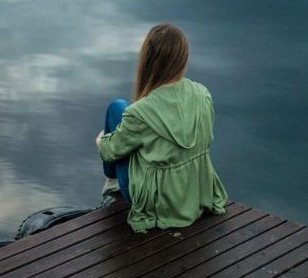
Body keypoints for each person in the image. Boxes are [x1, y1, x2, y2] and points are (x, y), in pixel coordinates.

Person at [94, 23, 228, 233]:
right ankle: (113, 181)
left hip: (158, 203)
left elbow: (109, 152)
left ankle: (112, 185)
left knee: (117, 108)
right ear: (183, 58)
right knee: (125, 111)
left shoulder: (140, 112)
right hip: (194, 192)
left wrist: (101, 141)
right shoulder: (203, 94)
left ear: (147, 60)